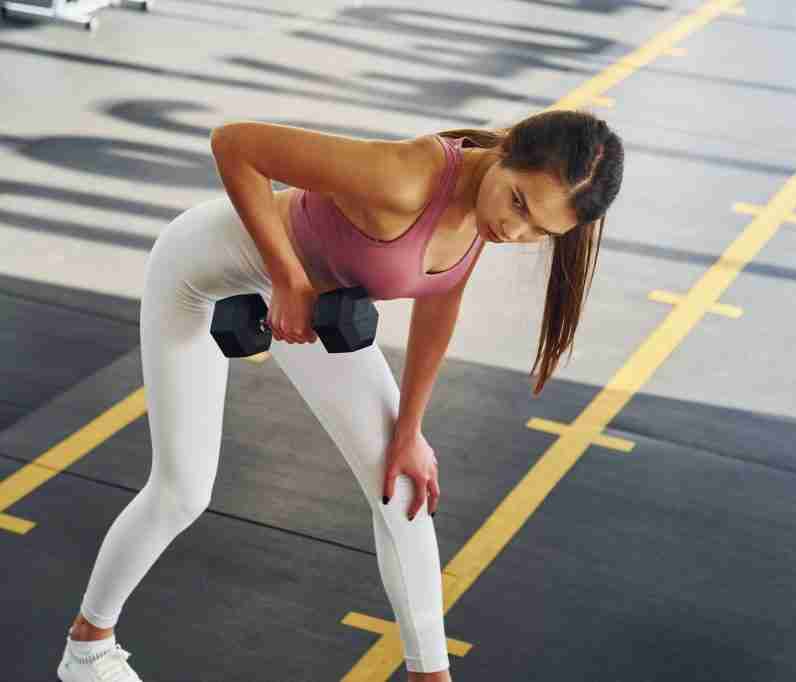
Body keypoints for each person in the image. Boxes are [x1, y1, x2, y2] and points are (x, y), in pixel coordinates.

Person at [57, 108, 624, 682]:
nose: (514, 230)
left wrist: (410, 430)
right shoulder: (405, 175)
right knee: (182, 492)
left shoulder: (482, 215)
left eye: (540, 232)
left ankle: (430, 675)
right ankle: (88, 645)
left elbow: (440, 302)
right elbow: (234, 145)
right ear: (506, 154)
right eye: (520, 202)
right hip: (200, 276)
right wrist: (287, 278)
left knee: (402, 480)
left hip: (304, 302)